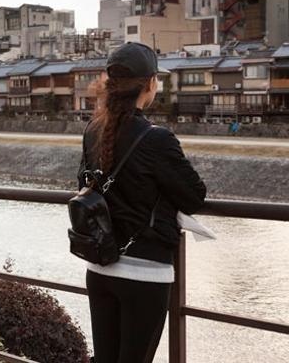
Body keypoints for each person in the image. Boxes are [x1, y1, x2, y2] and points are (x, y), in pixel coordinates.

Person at [77, 42, 206, 363]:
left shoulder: (94, 129)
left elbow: (85, 185)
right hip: (145, 274)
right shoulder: (156, 138)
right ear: (150, 84)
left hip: (100, 266)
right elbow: (194, 196)